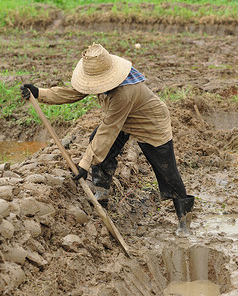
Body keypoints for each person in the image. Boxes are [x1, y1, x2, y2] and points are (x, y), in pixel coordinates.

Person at [20, 43, 194, 236]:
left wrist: (84, 164)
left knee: (166, 170)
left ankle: (183, 219)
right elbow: (75, 92)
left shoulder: (124, 93)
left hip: (151, 123)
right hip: (123, 120)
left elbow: (109, 129)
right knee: (100, 145)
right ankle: (102, 192)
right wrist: (40, 93)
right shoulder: (100, 78)